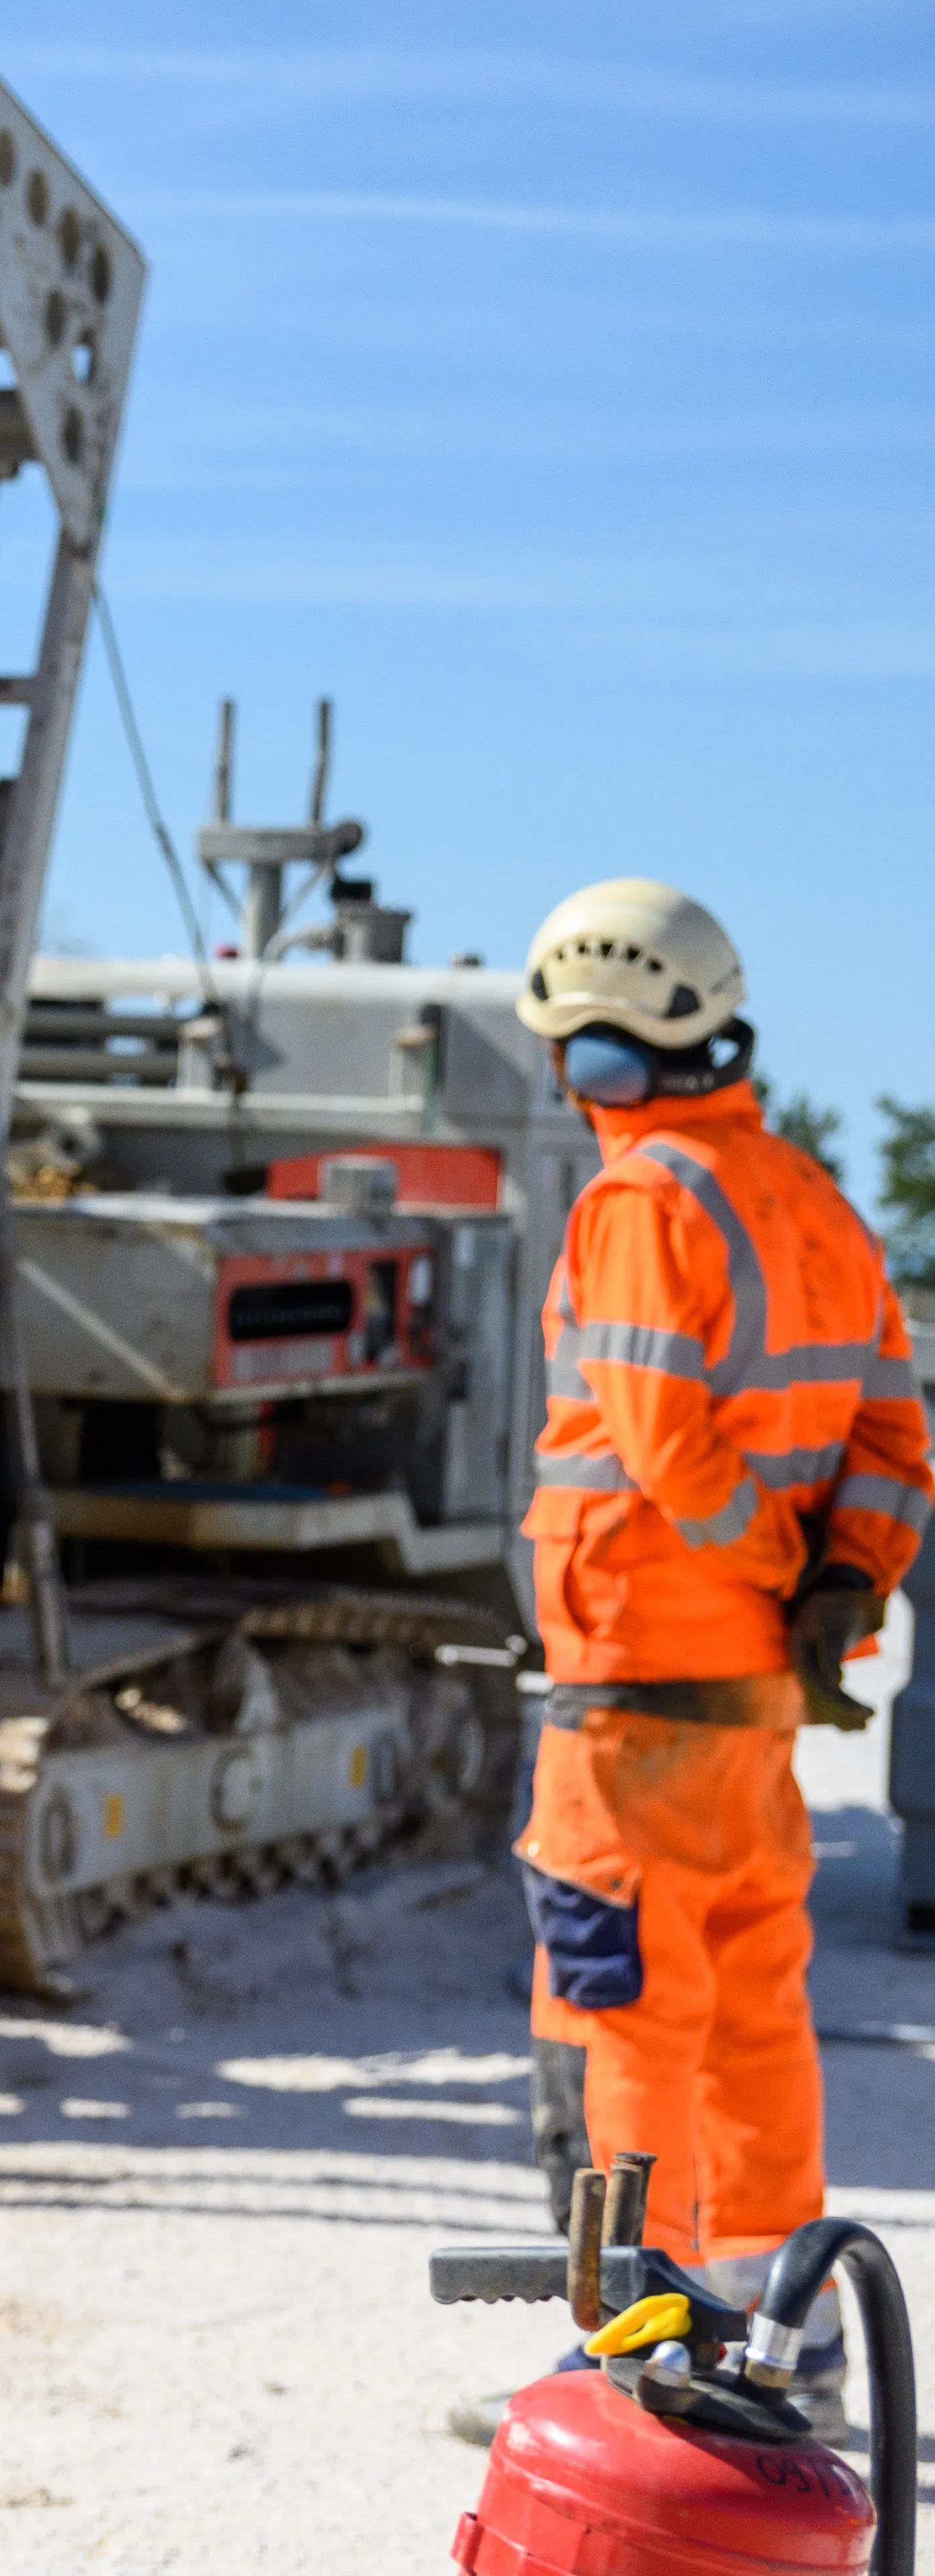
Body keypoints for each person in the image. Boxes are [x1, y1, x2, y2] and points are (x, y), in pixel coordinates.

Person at [459, 876, 928, 2449]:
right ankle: (783, 2350)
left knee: (625, 2016)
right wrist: (840, 1582)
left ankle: (637, 2372)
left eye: (573, 1056)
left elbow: (666, 1452)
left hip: (641, 1680)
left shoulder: (644, 1200)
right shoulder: (810, 1198)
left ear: (605, 1056)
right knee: (749, 2004)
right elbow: (893, 1437)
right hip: (750, 1696)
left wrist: (770, 1571)